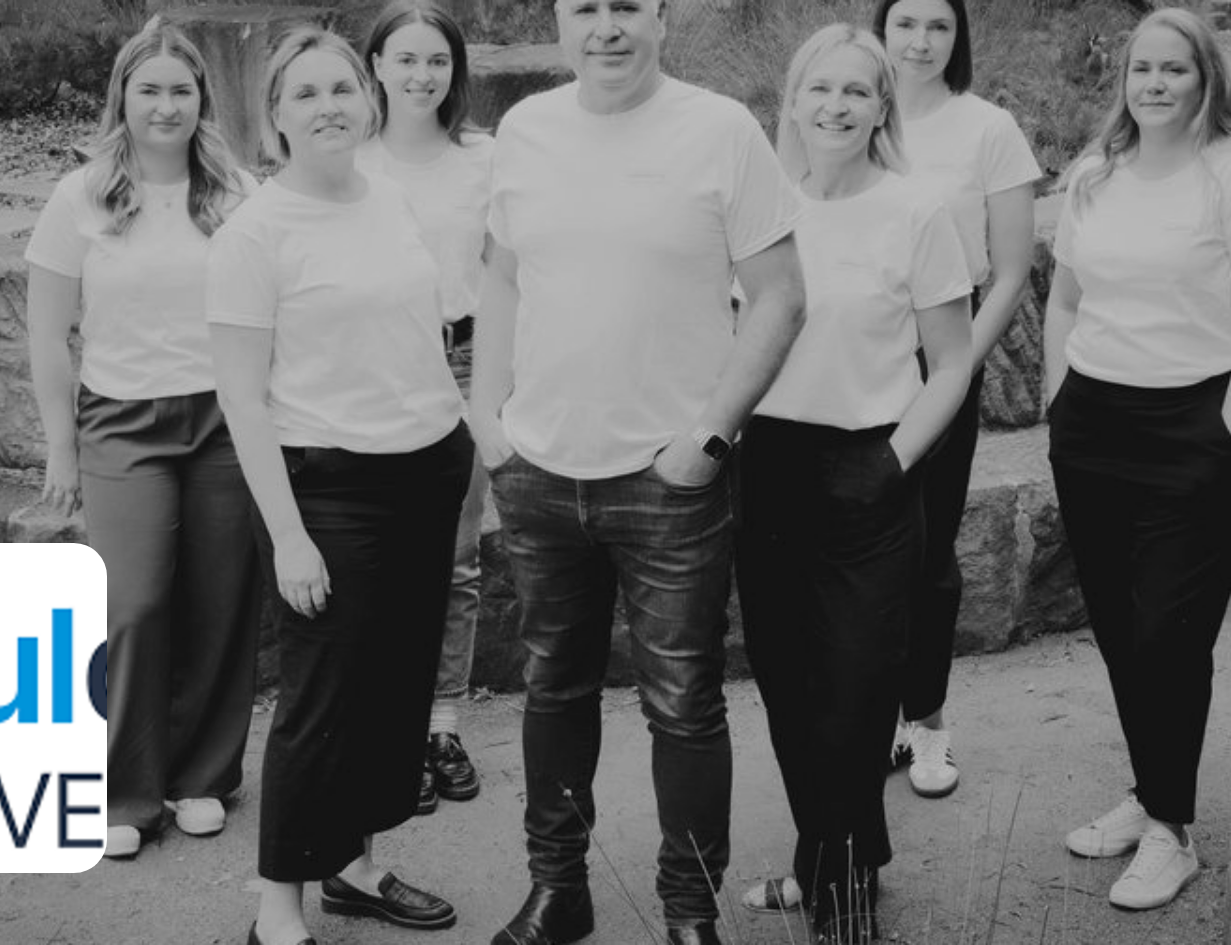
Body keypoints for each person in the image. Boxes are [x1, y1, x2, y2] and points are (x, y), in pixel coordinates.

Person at [471, 0, 808, 939]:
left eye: (627, 6)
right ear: (559, 20)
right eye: (585, 8)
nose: (606, 28)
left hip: (669, 480)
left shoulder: (721, 130)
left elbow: (781, 296)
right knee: (553, 690)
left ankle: (689, 914)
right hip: (538, 470)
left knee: (684, 706)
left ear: (660, 17)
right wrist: (488, 417)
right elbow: (501, 275)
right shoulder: (526, 130)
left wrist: (710, 437)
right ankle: (558, 892)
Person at [207, 26, 473, 945]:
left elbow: (426, 328)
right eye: (306, 94)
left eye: (341, 89)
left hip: (427, 470)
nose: (329, 107)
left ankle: (353, 866)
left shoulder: (390, 198)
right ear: (274, 117)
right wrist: (288, 535)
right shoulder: (255, 234)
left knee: (393, 688)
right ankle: (278, 909)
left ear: (368, 100)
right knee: (321, 703)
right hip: (328, 493)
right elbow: (241, 398)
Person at [1043, 7, 1231, 912]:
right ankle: (1153, 792)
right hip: (1095, 421)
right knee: (1120, 628)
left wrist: (1223, 434)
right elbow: (1064, 299)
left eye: (1173, 69)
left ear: (1206, 79)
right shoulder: (1095, 173)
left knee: (1169, 634)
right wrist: (1057, 403)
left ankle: (1172, 832)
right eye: (1141, 69)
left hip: (1201, 417)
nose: (1153, 84)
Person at [733, 24, 974, 944]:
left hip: (874, 468)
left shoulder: (914, 212)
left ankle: (839, 891)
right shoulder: (757, 211)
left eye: (856, 91)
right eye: (819, 89)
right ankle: (834, 859)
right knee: (790, 689)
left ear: (881, 108)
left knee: (857, 691)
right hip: (770, 468)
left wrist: (892, 461)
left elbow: (951, 363)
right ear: (792, 101)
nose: (835, 106)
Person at [24, 23, 259, 861]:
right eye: (149, 89)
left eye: (181, 90)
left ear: (203, 100)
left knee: (222, 598)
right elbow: (48, 334)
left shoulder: (237, 193)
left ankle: (203, 777)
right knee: (133, 603)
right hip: (121, 420)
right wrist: (62, 446)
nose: (166, 106)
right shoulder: (79, 196)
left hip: (225, 419)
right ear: (122, 96)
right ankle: (128, 790)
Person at [871, 0, 1042, 799]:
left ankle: (928, 721)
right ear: (880, 28)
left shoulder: (987, 129)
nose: (920, 40)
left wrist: (957, 366)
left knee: (929, 545)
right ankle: (875, 717)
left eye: (938, 25)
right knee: (860, 541)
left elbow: (1010, 271)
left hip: (944, 346)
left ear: (958, 36)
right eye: (905, 22)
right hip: (853, 350)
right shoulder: (854, 109)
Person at [358, 0, 493, 817]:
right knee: (382, 558)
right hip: (375, 365)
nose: (421, 75)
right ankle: (391, 731)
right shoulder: (350, 158)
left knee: (458, 557)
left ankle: (441, 725)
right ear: (375, 65)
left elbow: (507, 271)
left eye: (437, 60)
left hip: (468, 363)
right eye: (405, 59)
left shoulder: (485, 159)